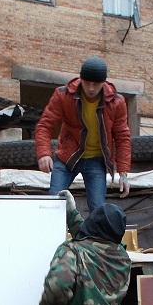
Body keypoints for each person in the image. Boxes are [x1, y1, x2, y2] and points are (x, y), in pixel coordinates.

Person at [34, 56, 133, 212]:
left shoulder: (116, 102)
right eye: (87, 83)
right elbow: (44, 126)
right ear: (81, 79)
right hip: (67, 158)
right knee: (53, 203)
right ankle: (54, 235)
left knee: (98, 210)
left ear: (104, 83)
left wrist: (123, 173)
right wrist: (44, 154)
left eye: (96, 84)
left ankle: (93, 237)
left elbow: (122, 138)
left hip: (96, 161)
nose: (91, 88)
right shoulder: (63, 95)